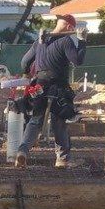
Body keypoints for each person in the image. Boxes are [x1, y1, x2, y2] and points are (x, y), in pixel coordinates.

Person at [13, 13, 85, 168]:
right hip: (58, 88)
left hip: (39, 86)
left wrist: (27, 73)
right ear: (69, 27)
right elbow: (77, 60)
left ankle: (22, 151)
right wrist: (82, 41)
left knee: (35, 120)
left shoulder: (40, 41)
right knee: (59, 121)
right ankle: (62, 159)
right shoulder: (66, 41)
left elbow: (24, 61)